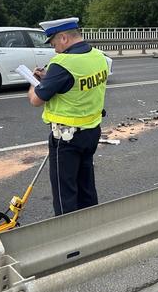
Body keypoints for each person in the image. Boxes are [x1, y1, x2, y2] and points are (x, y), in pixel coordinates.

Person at [27, 17, 109, 216]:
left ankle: (69, 244)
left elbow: (36, 99)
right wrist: (51, 79)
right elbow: (77, 83)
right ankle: (92, 231)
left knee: (65, 195)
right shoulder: (98, 56)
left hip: (66, 139)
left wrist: (34, 81)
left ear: (63, 38)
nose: (55, 49)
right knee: (86, 186)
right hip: (91, 132)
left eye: (54, 43)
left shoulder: (62, 63)